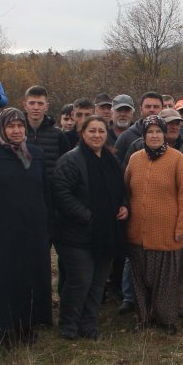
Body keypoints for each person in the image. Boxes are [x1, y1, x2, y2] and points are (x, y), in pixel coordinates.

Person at [0, 108, 50, 345]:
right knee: (2, 279)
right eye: (11, 126)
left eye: (20, 126)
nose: (16, 131)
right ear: (2, 129)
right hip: (0, 232)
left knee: (29, 278)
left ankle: (26, 326)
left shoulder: (36, 154)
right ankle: (1, 328)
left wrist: (47, 226)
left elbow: (45, 192)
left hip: (32, 231)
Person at [52, 115, 127, 340]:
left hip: (106, 233)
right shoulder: (71, 160)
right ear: (82, 133)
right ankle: (69, 324)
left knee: (98, 282)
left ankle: (89, 323)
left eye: (101, 131)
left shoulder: (110, 159)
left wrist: (123, 205)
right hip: (75, 234)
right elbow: (60, 192)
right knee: (81, 280)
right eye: (92, 131)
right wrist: (87, 216)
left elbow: (120, 189)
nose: (97, 135)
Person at [123, 115, 183, 333]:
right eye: (150, 132)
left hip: (166, 232)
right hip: (138, 233)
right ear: (143, 135)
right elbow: (125, 190)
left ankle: (166, 319)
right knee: (140, 280)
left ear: (164, 134)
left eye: (158, 131)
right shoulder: (135, 159)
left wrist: (182, 227)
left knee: (165, 281)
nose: (154, 136)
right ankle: (143, 318)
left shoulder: (177, 159)